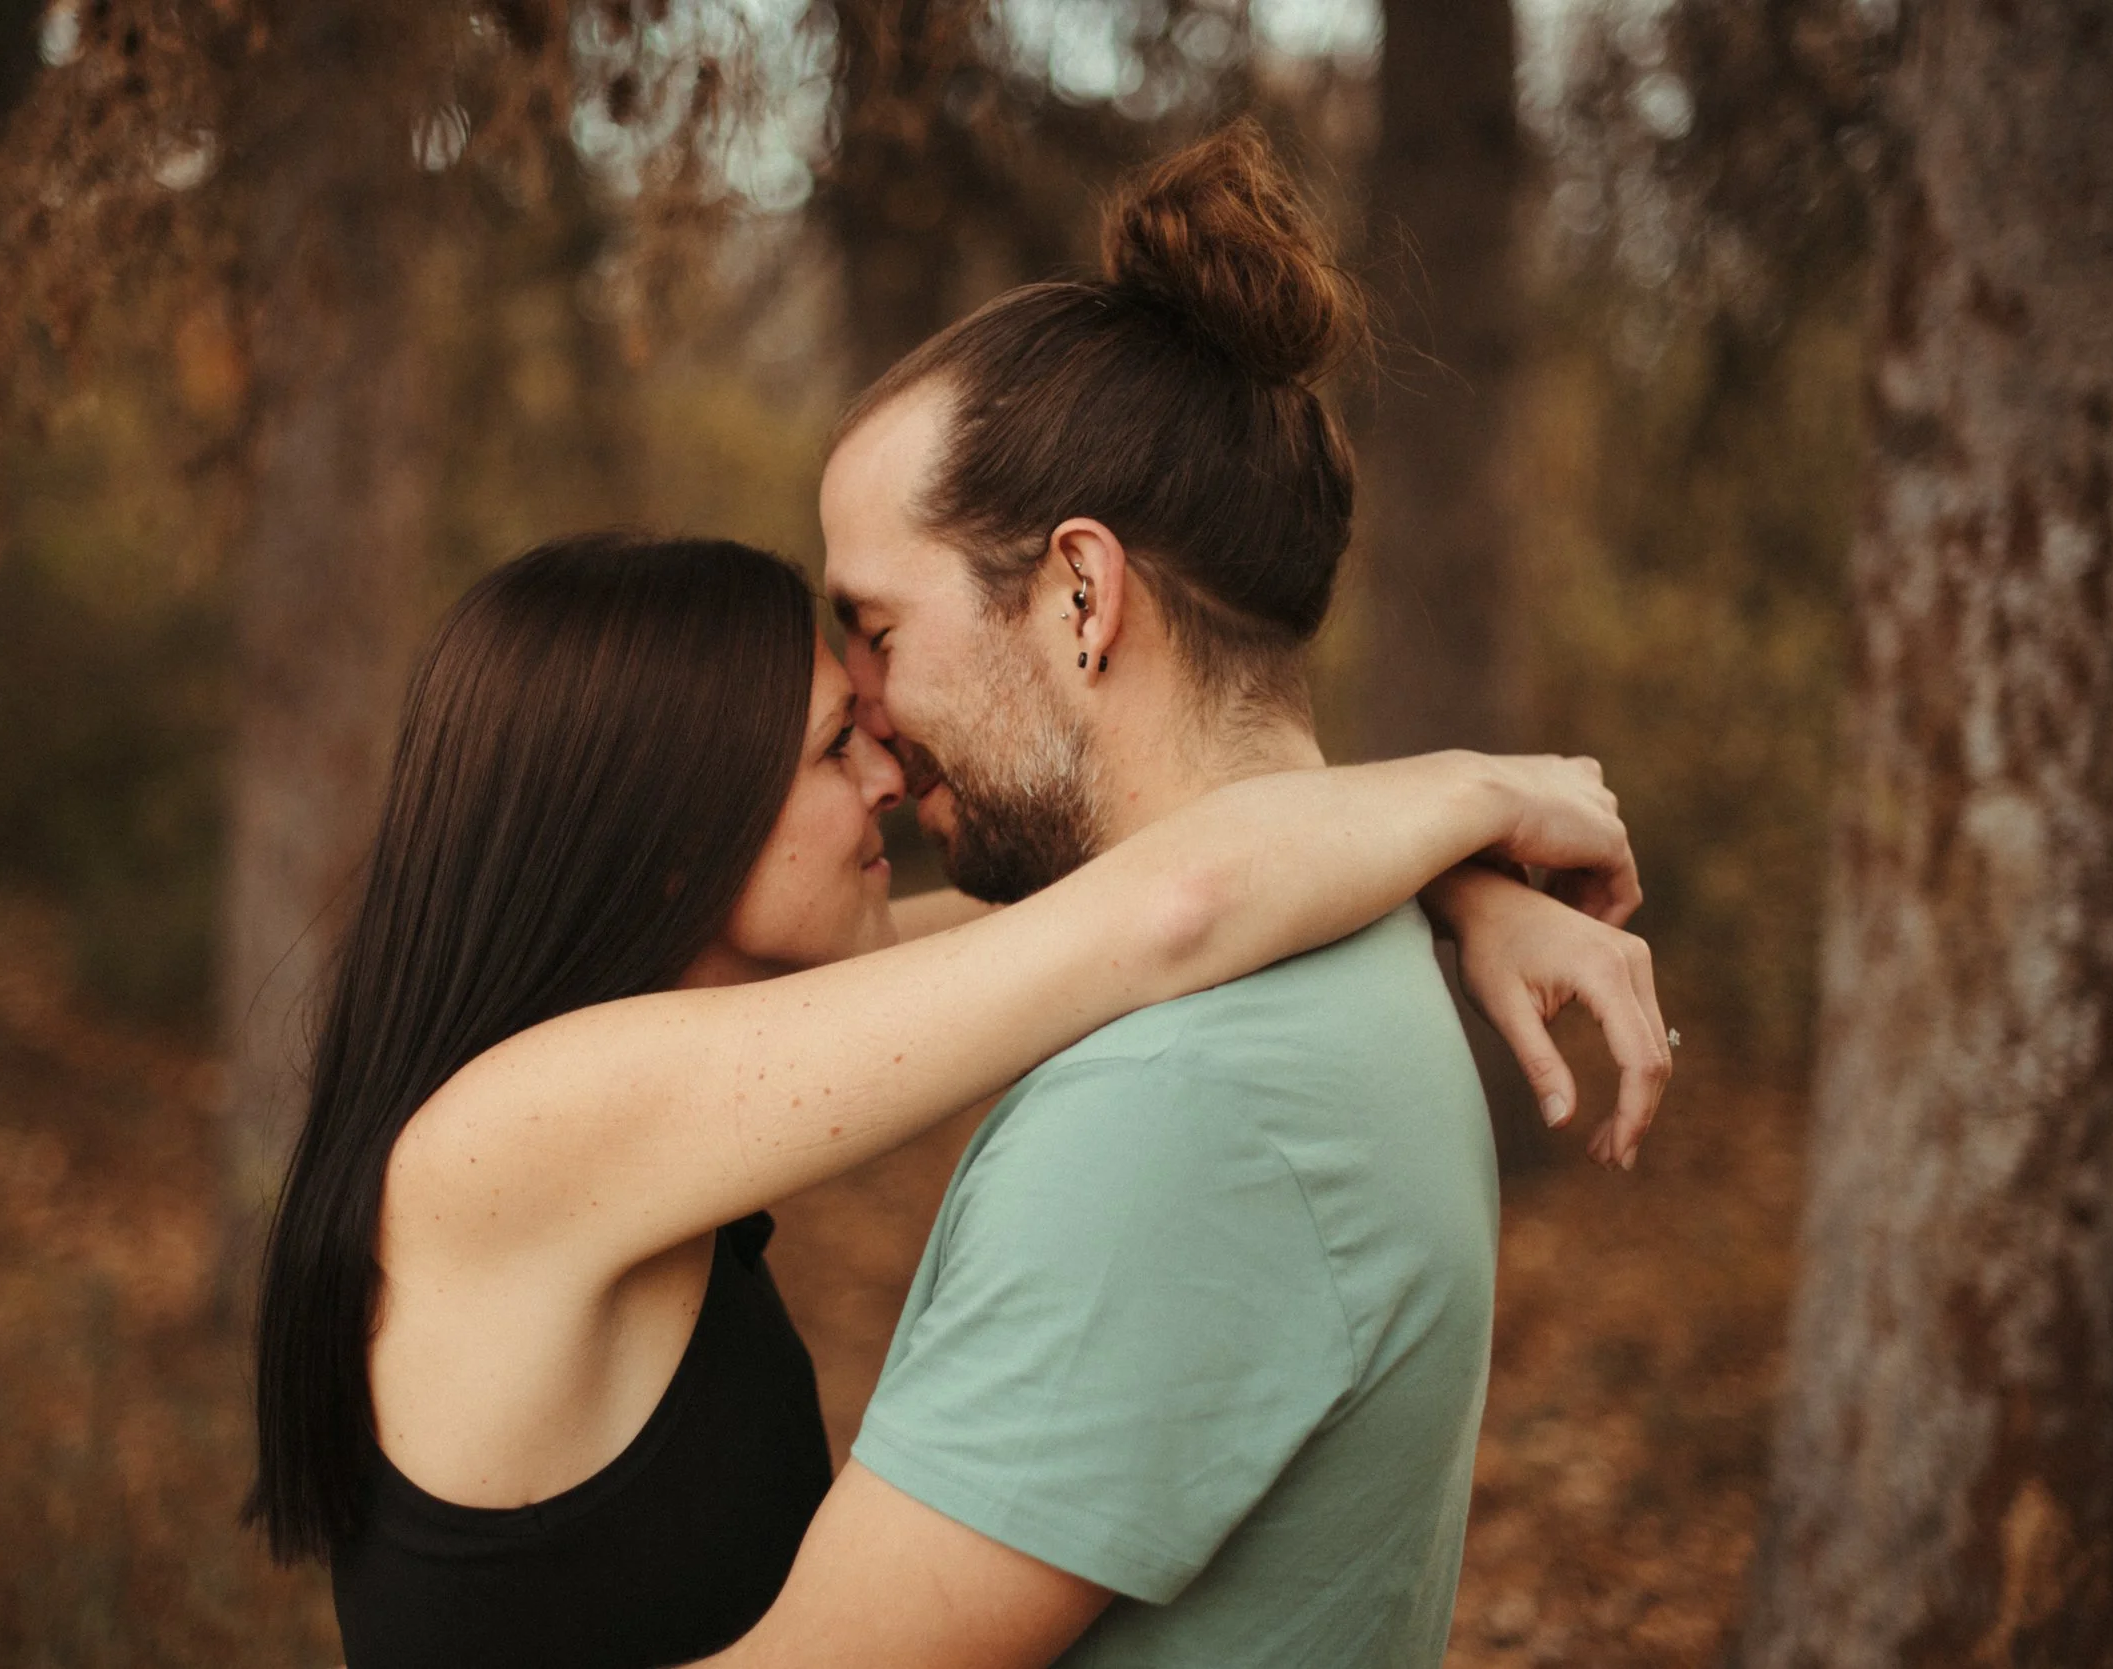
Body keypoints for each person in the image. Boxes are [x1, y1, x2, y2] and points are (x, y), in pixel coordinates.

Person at [244, 531, 1664, 1669]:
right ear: (669, 837)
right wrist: (1490, 792)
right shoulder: (519, 1129)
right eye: (831, 749)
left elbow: (1098, 909)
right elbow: (1165, 912)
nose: (888, 773)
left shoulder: (610, 1072)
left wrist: (1456, 886)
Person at [698, 122, 1672, 1669]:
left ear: (1080, 596)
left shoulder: (1182, 1103)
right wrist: (1453, 867)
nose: (862, 710)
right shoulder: (1334, 959)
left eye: (876, 629)